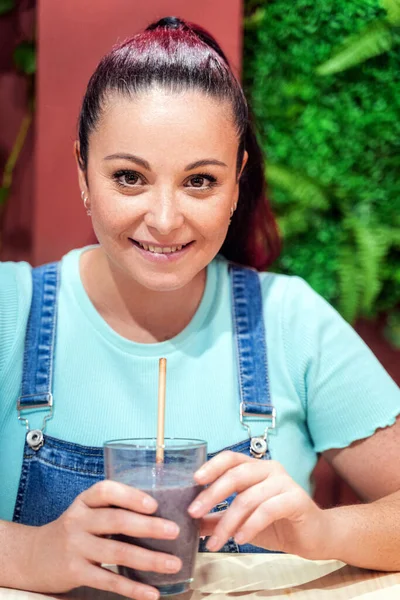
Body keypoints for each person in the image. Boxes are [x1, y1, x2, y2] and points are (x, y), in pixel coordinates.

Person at [0, 15, 399, 600]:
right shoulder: (12, 310)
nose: (164, 220)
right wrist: (28, 551)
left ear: (237, 182)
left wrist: (322, 530)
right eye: (130, 177)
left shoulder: (290, 321)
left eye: (200, 182)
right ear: (84, 171)